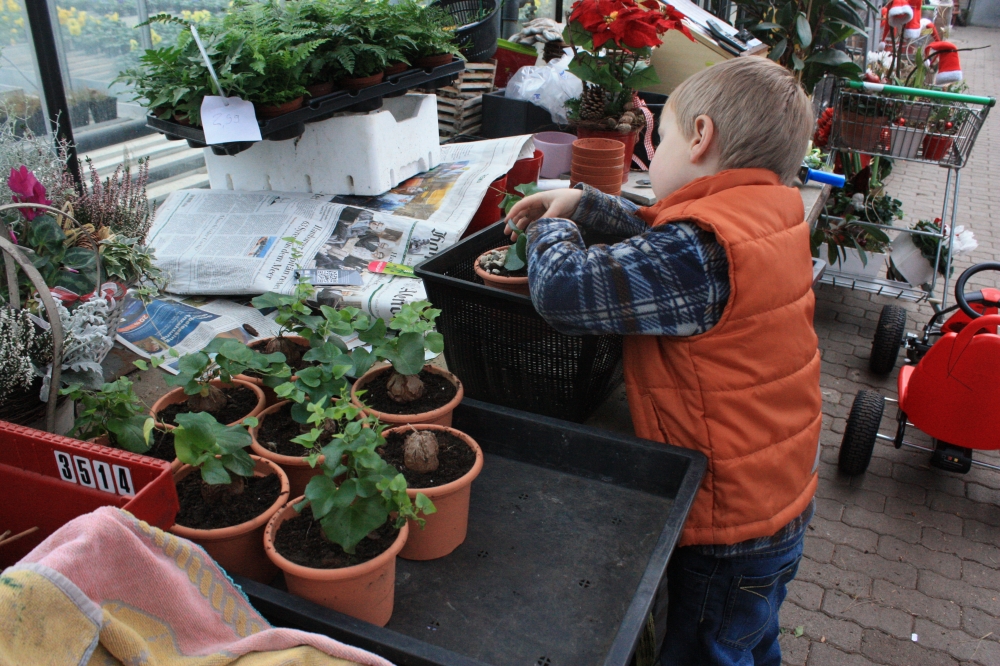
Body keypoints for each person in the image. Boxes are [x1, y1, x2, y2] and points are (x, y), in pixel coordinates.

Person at [506, 57, 820, 666]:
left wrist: (552, 230)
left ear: (700, 138)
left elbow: (563, 293)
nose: (653, 154)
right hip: (772, 500)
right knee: (748, 639)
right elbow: (660, 232)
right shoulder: (767, 214)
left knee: (705, 650)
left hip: (725, 527)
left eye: (662, 139)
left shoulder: (702, 251)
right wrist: (585, 202)